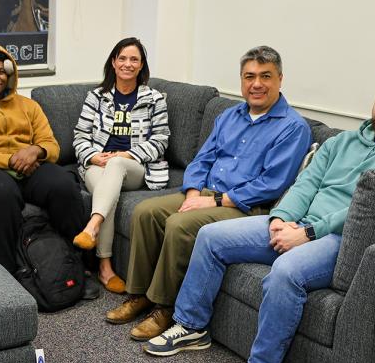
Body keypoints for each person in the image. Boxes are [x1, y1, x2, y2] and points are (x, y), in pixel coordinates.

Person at [143, 65, 375, 363]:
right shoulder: (341, 142)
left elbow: (365, 212)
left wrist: (307, 233)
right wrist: (282, 218)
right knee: (209, 235)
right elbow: (306, 184)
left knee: (285, 272)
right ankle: (191, 325)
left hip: (340, 240)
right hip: (295, 222)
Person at [106, 46, 311, 340]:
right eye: (249, 76)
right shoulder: (229, 116)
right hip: (204, 193)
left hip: (245, 206)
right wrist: (191, 193)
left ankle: (165, 307)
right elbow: (202, 159)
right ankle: (140, 294)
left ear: (280, 79)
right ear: (241, 80)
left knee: (179, 225)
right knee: (145, 212)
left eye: (265, 76)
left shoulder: (293, 127)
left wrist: (213, 200)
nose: (256, 84)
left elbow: (271, 184)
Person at [0, 44, 96, 296]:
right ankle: (7, 275)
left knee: (63, 185)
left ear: (9, 73)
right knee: (2, 191)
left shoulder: (28, 106)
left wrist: (35, 151)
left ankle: (78, 266)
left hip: (28, 168)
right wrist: (10, 159)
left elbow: (52, 146)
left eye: (0, 72)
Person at [72, 37, 170, 293]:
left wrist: (127, 155)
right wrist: (93, 156)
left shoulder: (155, 98)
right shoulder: (96, 97)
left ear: (141, 66)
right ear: (113, 63)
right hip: (97, 164)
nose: (127, 64)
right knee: (108, 191)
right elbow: (80, 136)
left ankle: (92, 227)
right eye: (122, 58)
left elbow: (161, 140)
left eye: (134, 59)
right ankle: (105, 269)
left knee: (115, 166)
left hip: (134, 166)